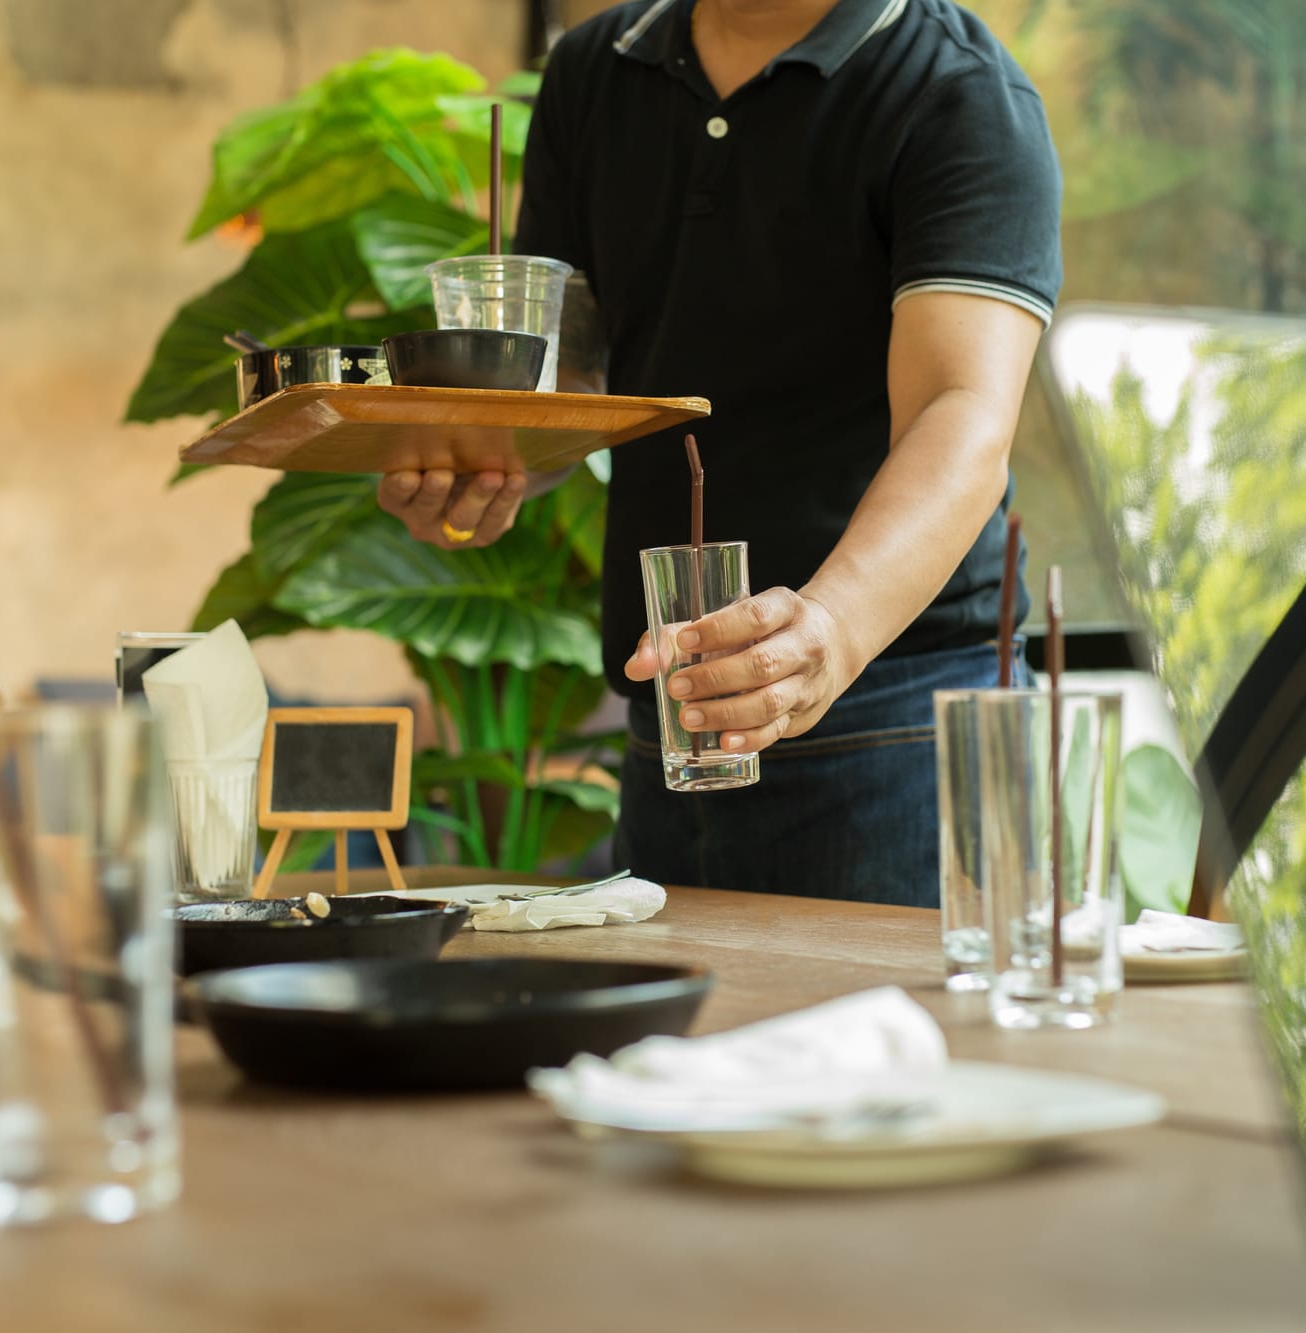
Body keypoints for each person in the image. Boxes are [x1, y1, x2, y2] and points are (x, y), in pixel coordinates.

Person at [378, 0, 1060, 907]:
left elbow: (963, 412)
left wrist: (832, 630)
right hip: (670, 714)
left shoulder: (958, 92)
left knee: (884, 1053)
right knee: (669, 1051)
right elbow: (572, 386)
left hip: (896, 718)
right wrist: (489, 464)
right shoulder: (595, 68)